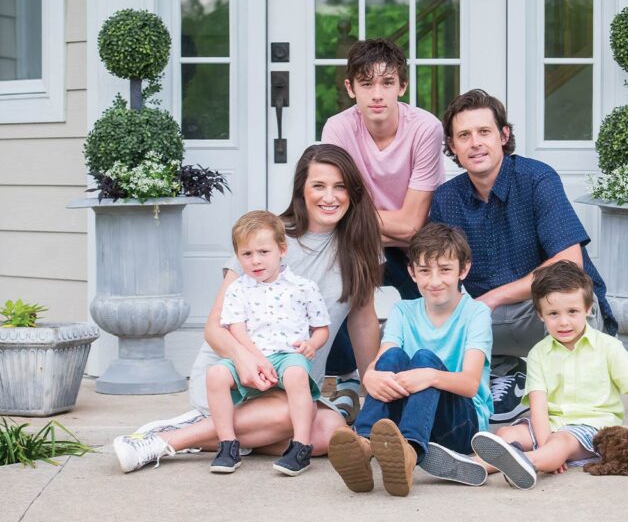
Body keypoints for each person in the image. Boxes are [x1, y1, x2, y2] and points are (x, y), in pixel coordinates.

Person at [112, 144, 383, 473]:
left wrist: (374, 394)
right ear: (301, 190)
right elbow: (215, 328)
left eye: (339, 186)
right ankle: (168, 440)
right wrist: (245, 358)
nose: (330, 197)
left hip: (293, 382)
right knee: (296, 418)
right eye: (319, 186)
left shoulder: (360, 249)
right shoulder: (265, 237)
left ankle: (216, 432)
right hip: (235, 376)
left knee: (330, 433)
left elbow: (364, 323)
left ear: (352, 191)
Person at [430, 89, 619, 424]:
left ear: (503, 136)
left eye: (484, 132)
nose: (475, 143)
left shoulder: (536, 179)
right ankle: (505, 372)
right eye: (464, 136)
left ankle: (560, 395)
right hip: (492, 320)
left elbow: (569, 262)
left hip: (555, 312)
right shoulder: (447, 199)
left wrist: (491, 299)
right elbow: (437, 272)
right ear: (453, 147)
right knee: (434, 318)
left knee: (563, 304)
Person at [320, 38, 446, 421]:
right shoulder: (338, 129)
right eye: (366, 84)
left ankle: (417, 375)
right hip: (358, 240)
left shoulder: (425, 127)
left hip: (413, 244)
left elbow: (412, 226)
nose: (377, 95)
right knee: (338, 288)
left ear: (402, 86)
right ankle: (346, 377)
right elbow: (332, 210)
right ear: (349, 88)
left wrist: (360, 217)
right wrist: (368, 222)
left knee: (433, 296)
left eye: (387, 83)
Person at [327, 223, 493, 497]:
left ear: (463, 270)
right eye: (425, 271)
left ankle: (410, 451)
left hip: (461, 426)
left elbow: (470, 384)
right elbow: (383, 359)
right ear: (411, 272)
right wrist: (369, 375)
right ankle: (365, 442)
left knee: (424, 358)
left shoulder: (476, 313)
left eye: (445, 270)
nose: (434, 280)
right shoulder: (403, 310)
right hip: (409, 415)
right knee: (393, 356)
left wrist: (429, 375)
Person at [470, 260, 628, 490]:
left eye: (572, 312)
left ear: (588, 309)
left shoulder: (608, 347)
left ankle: (530, 462)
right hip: (549, 425)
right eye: (553, 314)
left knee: (560, 442)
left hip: (592, 429)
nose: (564, 322)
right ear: (540, 315)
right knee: (508, 433)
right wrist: (545, 445)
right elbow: (538, 405)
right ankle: (474, 466)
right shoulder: (539, 352)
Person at [205, 210, 330, 476]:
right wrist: (255, 358)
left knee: (297, 374)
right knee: (216, 374)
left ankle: (300, 446)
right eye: (246, 254)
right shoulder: (239, 288)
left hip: (287, 355)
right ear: (238, 257)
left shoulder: (302, 287)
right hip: (252, 354)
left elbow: (321, 328)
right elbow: (235, 328)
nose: (255, 261)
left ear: (281, 249)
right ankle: (228, 445)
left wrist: (312, 345)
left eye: (263, 252)